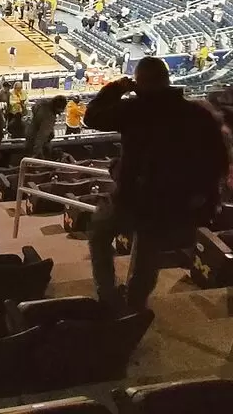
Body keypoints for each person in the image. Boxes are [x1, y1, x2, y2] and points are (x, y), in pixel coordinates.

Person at [83, 57, 229, 311]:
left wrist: (116, 88)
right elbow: (218, 158)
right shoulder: (198, 113)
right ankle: (135, 305)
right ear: (167, 80)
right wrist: (203, 194)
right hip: (171, 202)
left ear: (139, 83)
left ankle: (108, 296)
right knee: (147, 255)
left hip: (132, 196)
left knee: (99, 234)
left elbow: (92, 116)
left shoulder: (135, 109)